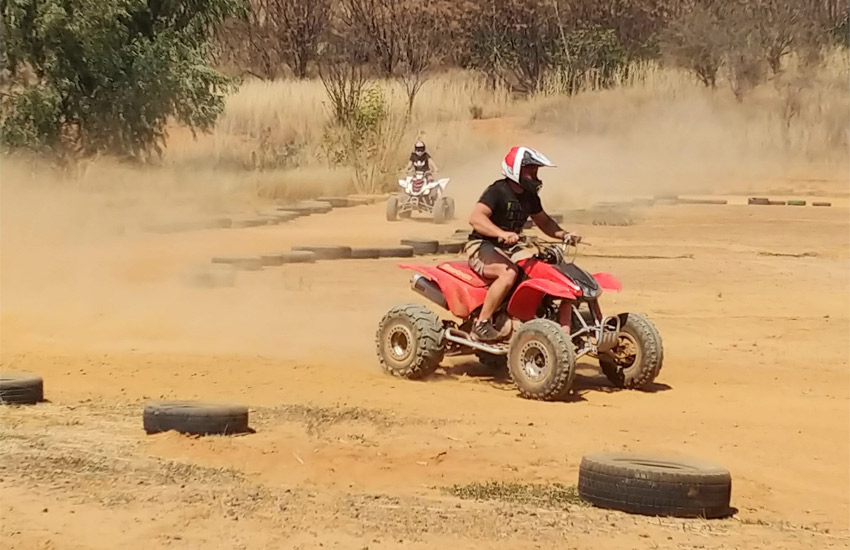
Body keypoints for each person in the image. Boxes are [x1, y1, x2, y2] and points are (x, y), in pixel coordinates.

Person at [464, 146, 581, 342]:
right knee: (508, 273)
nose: (534, 176)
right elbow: (476, 218)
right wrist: (501, 233)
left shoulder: (530, 197)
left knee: (541, 268)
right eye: (530, 171)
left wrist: (565, 235)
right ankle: (481, 324)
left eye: (536, 171)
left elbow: (545, 222)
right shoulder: (497, 191)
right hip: (481, 245)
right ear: (515, 170)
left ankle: (526, 316)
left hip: (509, 248)